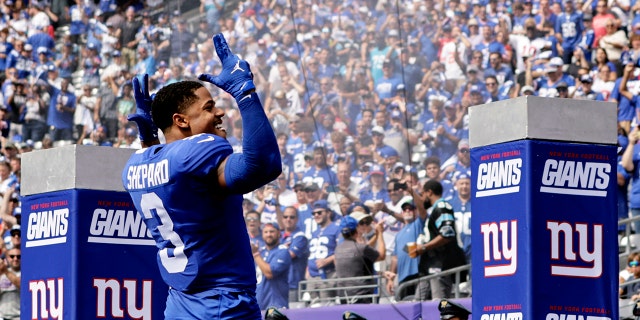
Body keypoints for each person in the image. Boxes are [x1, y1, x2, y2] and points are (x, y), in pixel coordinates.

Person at [122, 34, 281, 319]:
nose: (219, 112)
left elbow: (168, 168)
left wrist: (150, 136)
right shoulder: (197, 153)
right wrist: (245, 93)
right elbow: (263, 166)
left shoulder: (135, 165)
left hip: (179, 305)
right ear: (181, 121)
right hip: (222, 303)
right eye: (208, 108)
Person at [414, 180, 467, 299]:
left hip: (441, 265)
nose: (422, 198)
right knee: (418, 303)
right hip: (429, 265)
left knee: (439, 303)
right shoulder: (433, 209)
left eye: (422, 194)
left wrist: (423, 247)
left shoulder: (442, 206)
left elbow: (447, 234)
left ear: (429, 193)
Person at [334, 215, 385, 304]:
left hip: (344, 296)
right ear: (356, 230)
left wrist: (376, 235)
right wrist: (380, 233)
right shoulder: (361, 249)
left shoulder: (338, 249)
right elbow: (381, 255)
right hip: (362, 296)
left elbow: (364, 252)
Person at [253, 222, 291, 310]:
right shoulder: (261, 251)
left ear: (279, 233)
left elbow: (269, 273)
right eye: (265, 232)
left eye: (271, 232)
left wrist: (255, 254)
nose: (268, 235)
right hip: (258, 305)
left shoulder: (282, 251)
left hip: (276, 306)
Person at [0, 248, 20, 320]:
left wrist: (5, 270)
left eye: (18, 256)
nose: (15, 259)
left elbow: (21, 285)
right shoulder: (1, 273)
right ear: (7, 258)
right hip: (2, 316)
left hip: (18, 317)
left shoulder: (26, 273)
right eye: (12, 256)